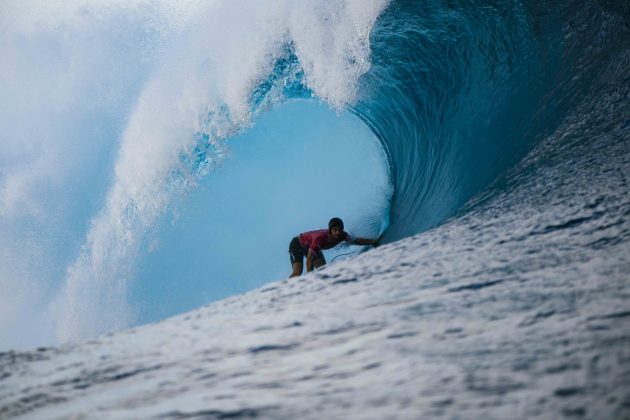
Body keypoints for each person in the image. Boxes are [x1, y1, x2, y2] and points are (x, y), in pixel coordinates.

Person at [289, 217, 378, 278]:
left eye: (340, 229)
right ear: (330, 230)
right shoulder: (320, 238)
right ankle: (288, 290)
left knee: (322, 270)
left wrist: (373, 241)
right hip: (298, 244)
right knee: (298, 271)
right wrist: (310, 278)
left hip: (312, 246)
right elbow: (309, 260)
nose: (338, 232)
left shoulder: (343, 235)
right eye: (335, 230)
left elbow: (356, 241)